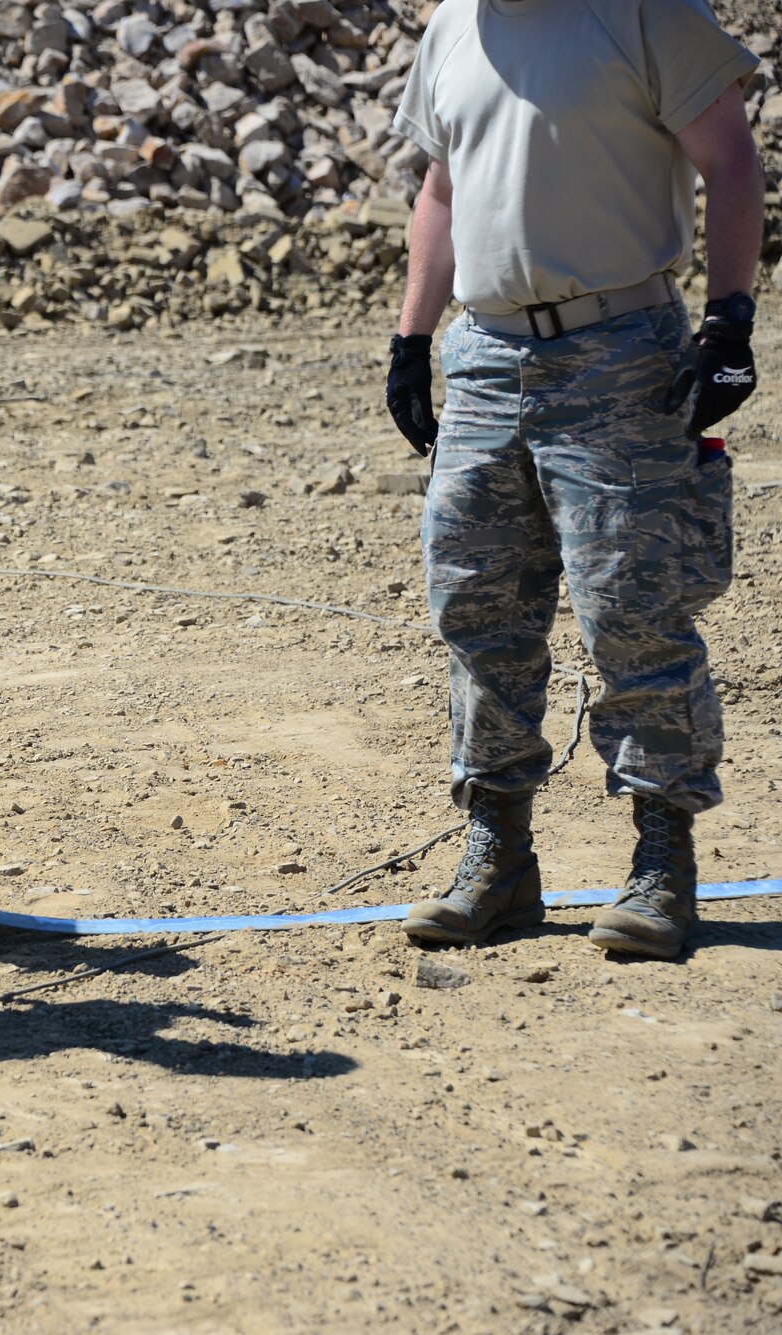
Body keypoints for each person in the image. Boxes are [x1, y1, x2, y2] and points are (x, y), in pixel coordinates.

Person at [384, 0, 762, 959]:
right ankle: (499, 857)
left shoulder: (644, 14)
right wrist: (411, 339)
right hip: (485, 358)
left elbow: (730, 156)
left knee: (634, 610)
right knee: (477, 606)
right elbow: (441, 189)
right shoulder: (454, 26)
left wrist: (729, 320)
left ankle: (662, 864)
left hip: (621, 351)